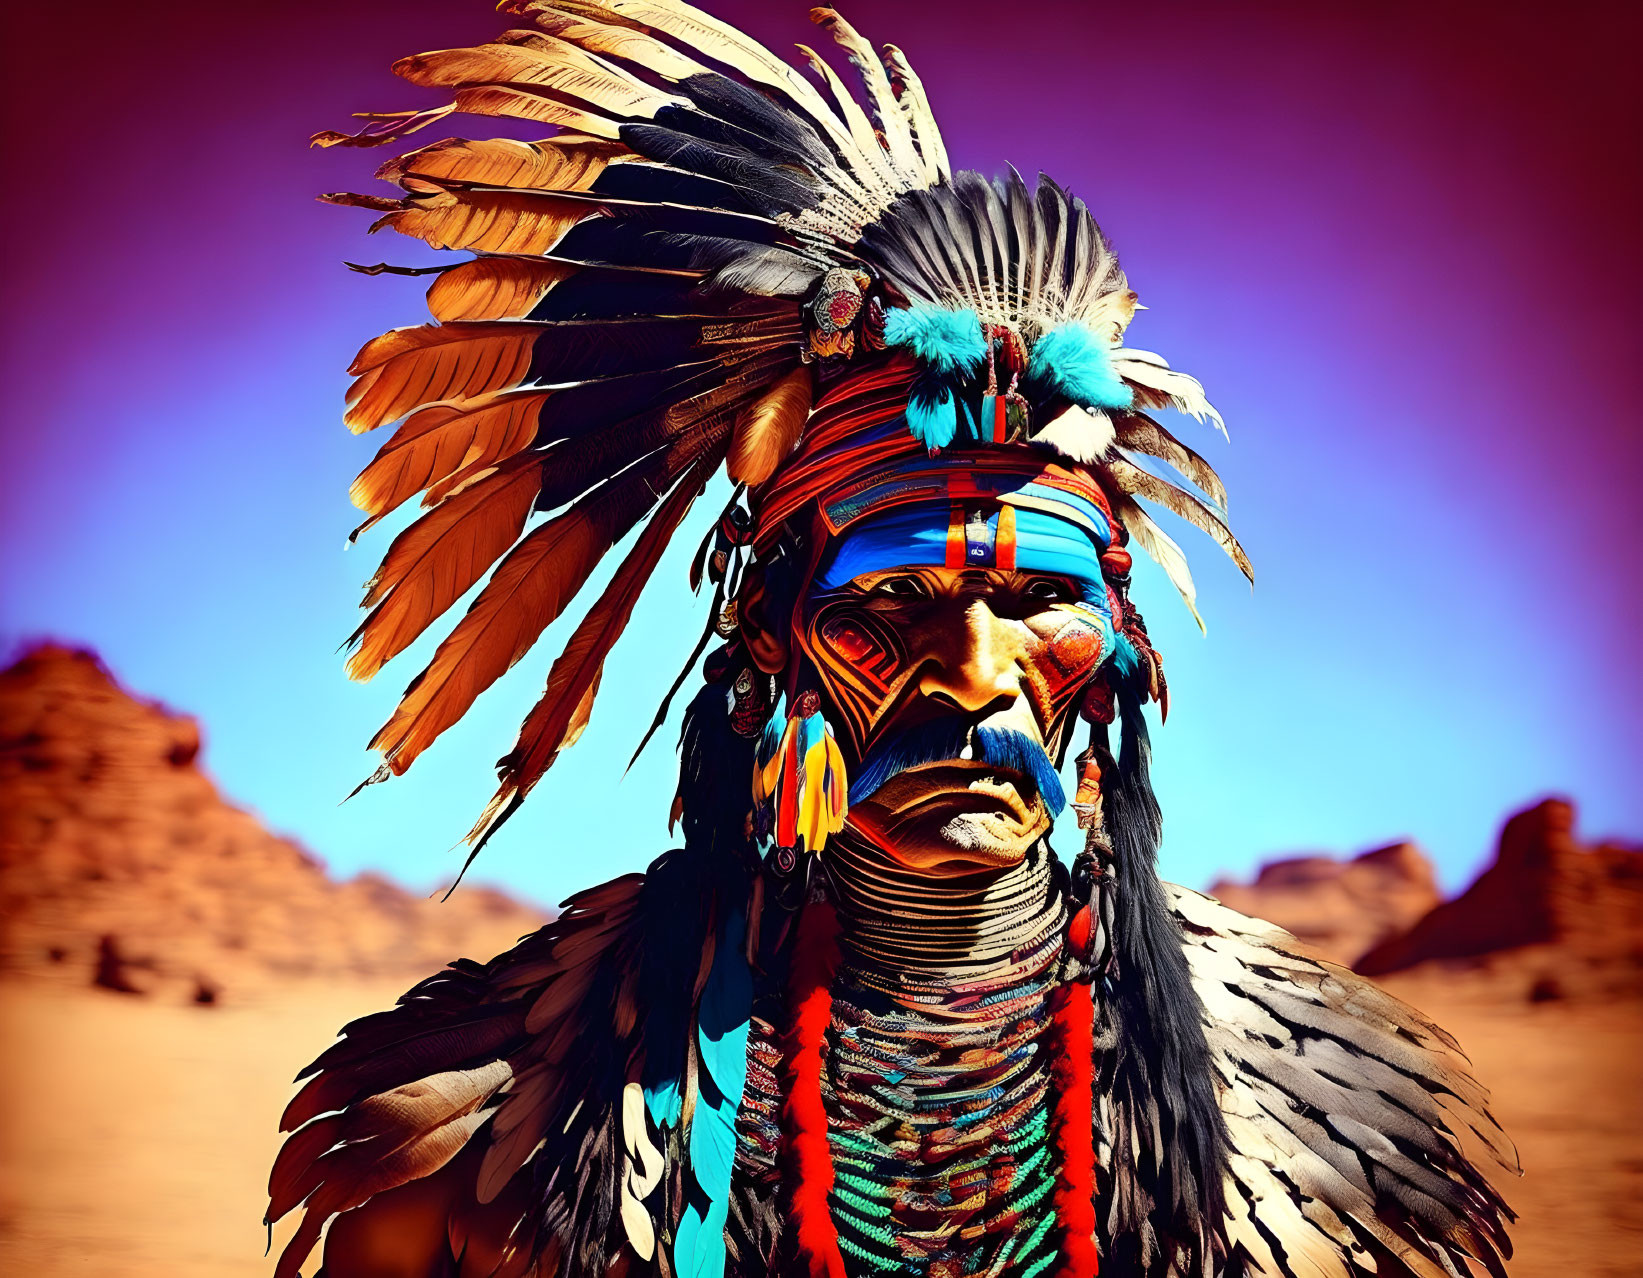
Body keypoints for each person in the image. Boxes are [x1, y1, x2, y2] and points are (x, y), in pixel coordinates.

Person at [268, 3, 1516, 1275]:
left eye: (1042, 606)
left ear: (1122, 646)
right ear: (770, 635)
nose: (976, 676)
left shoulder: (1331, 1151)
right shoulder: (480, 1141)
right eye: (886, 608)